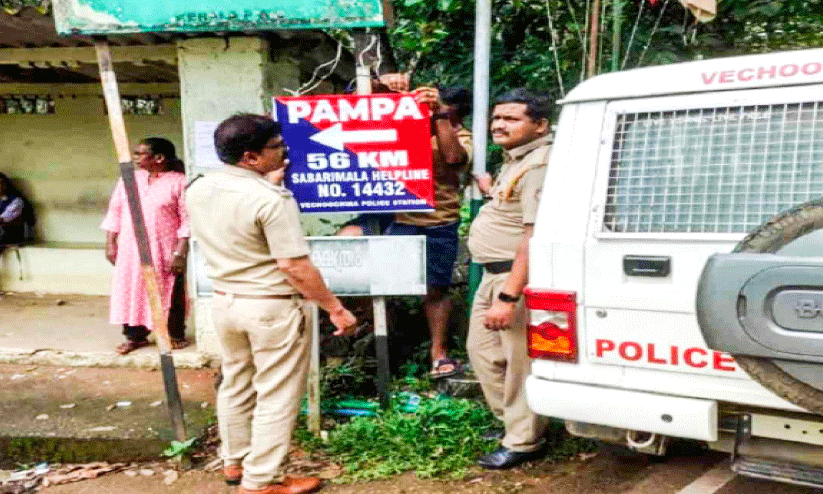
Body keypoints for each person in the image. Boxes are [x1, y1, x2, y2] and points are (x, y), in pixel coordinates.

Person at [187, 114, 356, 494]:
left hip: (226, 302)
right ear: (250, 157)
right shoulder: (272, 200)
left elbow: (238, 219)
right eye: (276, 147)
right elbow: (294, 265)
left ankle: (235, 462)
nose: (285, 152)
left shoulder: (199, 188)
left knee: (236, 383)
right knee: (277, 395)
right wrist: (334, 307)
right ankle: (261, 480)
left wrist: (267, 183)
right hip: (271, 307)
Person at [466, 88, 553, 469]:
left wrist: (508, 297)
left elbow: (533, 237)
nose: (499, 125)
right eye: (496, 117)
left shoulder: (538, 166)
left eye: (511, 119)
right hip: (493, 276)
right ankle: (515, 422)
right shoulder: (518, 160)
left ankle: (524, 440)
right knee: (483, 353)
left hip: (512, 281)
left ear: (540, 125)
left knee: (519, 364)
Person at [385, 83, 473, 379]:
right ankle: (388, 347)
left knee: (435, 288)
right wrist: (384, 83)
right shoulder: (406, 125)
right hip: (398, 218)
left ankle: (439, 353)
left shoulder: (461, 135)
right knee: (378, 283)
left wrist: (440, 117)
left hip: (439, 221)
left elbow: (453, 158)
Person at [101, 138, 190, 355]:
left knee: (170, 289)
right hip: (131, 248)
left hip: (165, 248)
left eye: (140, 154)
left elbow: (188, 219)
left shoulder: (180, 182)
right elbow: (115, 211)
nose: (135, 158)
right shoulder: (128, 179)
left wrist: (180, 251)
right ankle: (135, 336)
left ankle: (174, 334)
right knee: (131, 288)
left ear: (159, 158)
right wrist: (110, 243)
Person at [0, 172, 35, 254]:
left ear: (6, 185)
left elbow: (5, 218)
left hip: (12, 234)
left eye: (2, 183)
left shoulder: (16, 200)